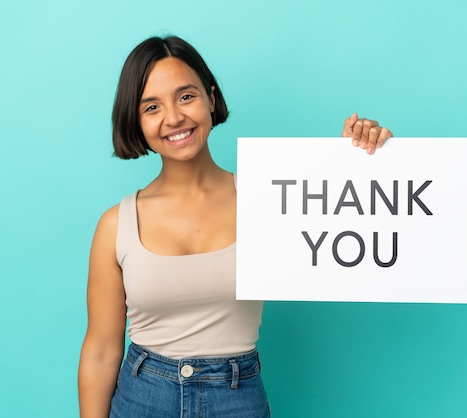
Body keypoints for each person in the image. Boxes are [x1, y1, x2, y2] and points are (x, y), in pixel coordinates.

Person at [77, 35, 392, 418]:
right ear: (136, 120)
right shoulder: (116, 224)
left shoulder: (271, 199)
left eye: (186, 96)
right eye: (152, 106)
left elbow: (341, 218)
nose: (174, 117)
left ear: (211, 98)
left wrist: (361, 161)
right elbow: (100, 351)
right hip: (142, 397)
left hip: (236, 398)